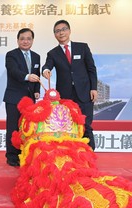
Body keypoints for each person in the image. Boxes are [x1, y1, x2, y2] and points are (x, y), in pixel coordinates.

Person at [42, 19, 98, 150]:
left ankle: (89, 153)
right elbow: (47, 65)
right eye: (57, 31)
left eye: (63, 29)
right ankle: (71, 153)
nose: (61, 33)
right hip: (66, 96)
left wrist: (93, 88)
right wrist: (45, 70)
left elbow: (91, 69)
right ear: (54, 35)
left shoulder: (82, 47)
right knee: (68, 125)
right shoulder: (53, 53)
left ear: (69, 31)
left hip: (84, 92)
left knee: (86, 124)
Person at [3, 28, 41, 167]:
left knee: (28, 128)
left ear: (32, 40)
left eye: (29, 38)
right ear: (18, 40)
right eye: (22, 38)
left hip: (30, 99)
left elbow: (37, 75)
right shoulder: (11, 55)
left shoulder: (36, 56)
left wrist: (36, 90)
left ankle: (26, 153)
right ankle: (12, 156)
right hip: (14, 98)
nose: (25, 41)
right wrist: (26, 77)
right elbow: (13, 71)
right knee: (13, 128)